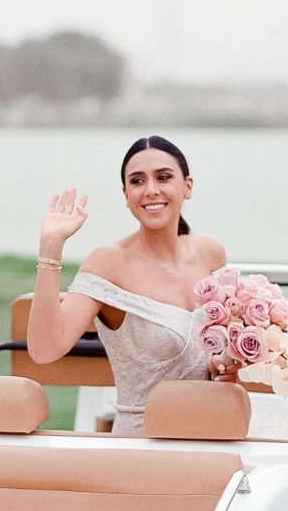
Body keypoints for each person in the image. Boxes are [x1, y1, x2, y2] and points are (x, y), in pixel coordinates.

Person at [27, 136, 226, 436]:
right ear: (126, 194)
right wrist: (51, 246)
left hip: (216, 431)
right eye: (137, 181)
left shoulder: (210, 253)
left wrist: (225, 364)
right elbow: (45, 349)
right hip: (143, 442)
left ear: (188, 186)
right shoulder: (109, 263)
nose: (151, 190)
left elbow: (217, 352)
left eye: (163, 177)